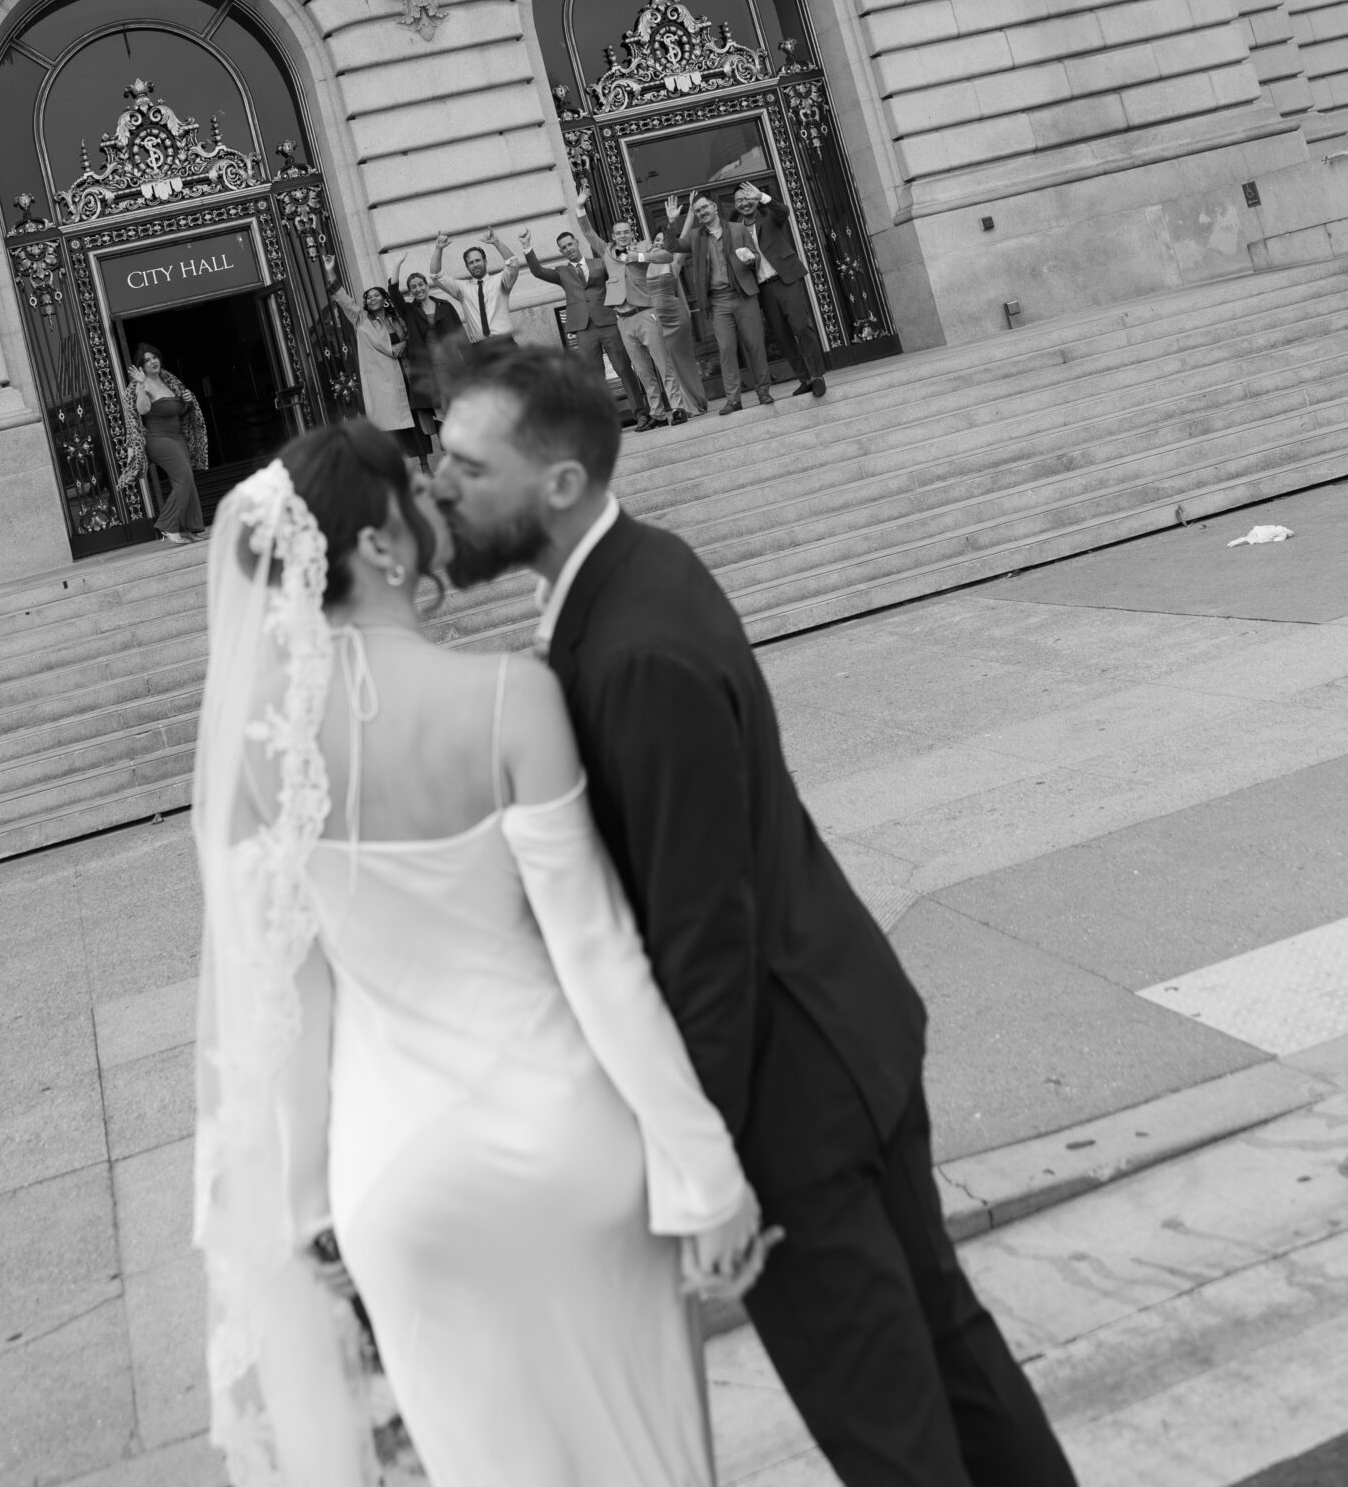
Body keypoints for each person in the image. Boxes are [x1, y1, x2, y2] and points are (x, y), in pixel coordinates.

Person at [433, 341, 1079, 1487]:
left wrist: (705, 1168)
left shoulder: (631, 652)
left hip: (791, 1103)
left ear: (561, 483)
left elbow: (703, 936)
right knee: (949, 1347)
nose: (439, 482)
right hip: (846, 1031)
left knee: (889, 1430)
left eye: (467, 464)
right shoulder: (640, 572)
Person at [193, 420, 771, 1487]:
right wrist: (704, 1169)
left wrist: (308, 1206)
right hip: (571, 1148)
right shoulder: (510, 696)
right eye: (418, 490)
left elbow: (290, 1009)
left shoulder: (257, 752)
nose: (436, 507)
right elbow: (598, 957)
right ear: (377, 548)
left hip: (399, 1184)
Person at [577, 198, 690, 427]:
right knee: (642, 369)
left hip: (645, 313)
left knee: (662, 363)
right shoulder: (606, 250)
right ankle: (657, 414)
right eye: (619, 233)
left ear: (632, 233)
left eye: (627, 232)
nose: (623, 235)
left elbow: (666, 255)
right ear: (612, 235)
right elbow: (587, 232)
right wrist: (580, 207)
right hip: (623, 319)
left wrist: (640, 257)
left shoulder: (642, 246)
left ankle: (678, 408)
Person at [518, 222, 643, 421]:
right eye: (564, 247)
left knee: (623, 369)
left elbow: (620, 278)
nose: (568, 249)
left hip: (607, 321)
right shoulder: (561, 272)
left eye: (570, 244)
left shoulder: (599, 263)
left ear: (577, 243)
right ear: (561, 251)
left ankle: (641, 413)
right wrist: (527, 247)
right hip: (584, 329)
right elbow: (538, 271)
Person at [670, 190, 775, 413]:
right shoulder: (696, 237)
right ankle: (733, 399)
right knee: (726, 349)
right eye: (697, 211)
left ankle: (763, 391)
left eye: (704, 208)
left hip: (744, 296)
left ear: (715, 207)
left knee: (755, 345)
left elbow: (756, 258)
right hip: (717, 302)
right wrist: (672, 222)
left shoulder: (738, 229)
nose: (701, 213)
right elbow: (671, 247)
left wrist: (750, 259)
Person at [731, 178, 828, 400]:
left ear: (754, 200)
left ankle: (817, 376)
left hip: (786, 281)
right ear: (735, 205)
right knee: (783, 336)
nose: (744, 203)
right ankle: (804, 379)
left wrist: (763, 196)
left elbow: (783, 211)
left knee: (801, 327)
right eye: (739, 200)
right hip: (762, 289)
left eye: (747, 198)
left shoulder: (769, 218)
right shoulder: (735, 232)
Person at [322, 251, 419, 456]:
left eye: (376, 295)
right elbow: (342, 298)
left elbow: (415, 337)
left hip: (407, 375)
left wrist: (405, 344)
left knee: (416, 423)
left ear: (385, 299)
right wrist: (331, 272)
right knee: (392, 429)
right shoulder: (361, 319)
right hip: (383, 382)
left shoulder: (397, 319)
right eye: (368, 297)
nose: (372, 299)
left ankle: (424, 465)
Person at [119, 343, 207, 541]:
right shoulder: (138, 385)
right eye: (147, 360)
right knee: (183, 477)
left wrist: (185, 399)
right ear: (141, 366)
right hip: (157, 438)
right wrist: (141, 386)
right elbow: (141, 410)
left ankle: (187, 528)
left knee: (187, 479)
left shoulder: (170, 380)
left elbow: (180, 411)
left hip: (177, 437)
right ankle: (168, 525)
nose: (153, 362)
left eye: (155, 357)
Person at [393, 264, 467, 452]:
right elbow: (393, 293)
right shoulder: (409, 310)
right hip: (429, 370)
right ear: (410, 292)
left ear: (427, 285)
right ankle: (452, 453)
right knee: (441, 413)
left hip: (452, 366)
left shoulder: (445, 305)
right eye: (413, 287)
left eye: (420, 285)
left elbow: (460, 333)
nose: (418, 289)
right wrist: (397, 265)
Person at [640, 212, 705, 413]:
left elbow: (683, 236)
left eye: (663, 240)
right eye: (656, 240)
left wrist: (688, 217)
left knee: (683, 361)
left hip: (676, 318)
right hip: (654, 320)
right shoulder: (641, 266)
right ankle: (680, 405)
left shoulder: (673, 262)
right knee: (666, 362)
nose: (659, 243)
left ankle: (695, 402)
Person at [429, 228, 522, 342]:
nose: (475, 264)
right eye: (471, 263)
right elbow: (435, 275)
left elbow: (513, 263)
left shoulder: (501, 281)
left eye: (478, 260)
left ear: (485, 261)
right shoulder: (461, 288)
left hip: (504, 343)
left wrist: (497, 243)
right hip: (480, 348)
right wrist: (439, 249)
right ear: (467, 267)